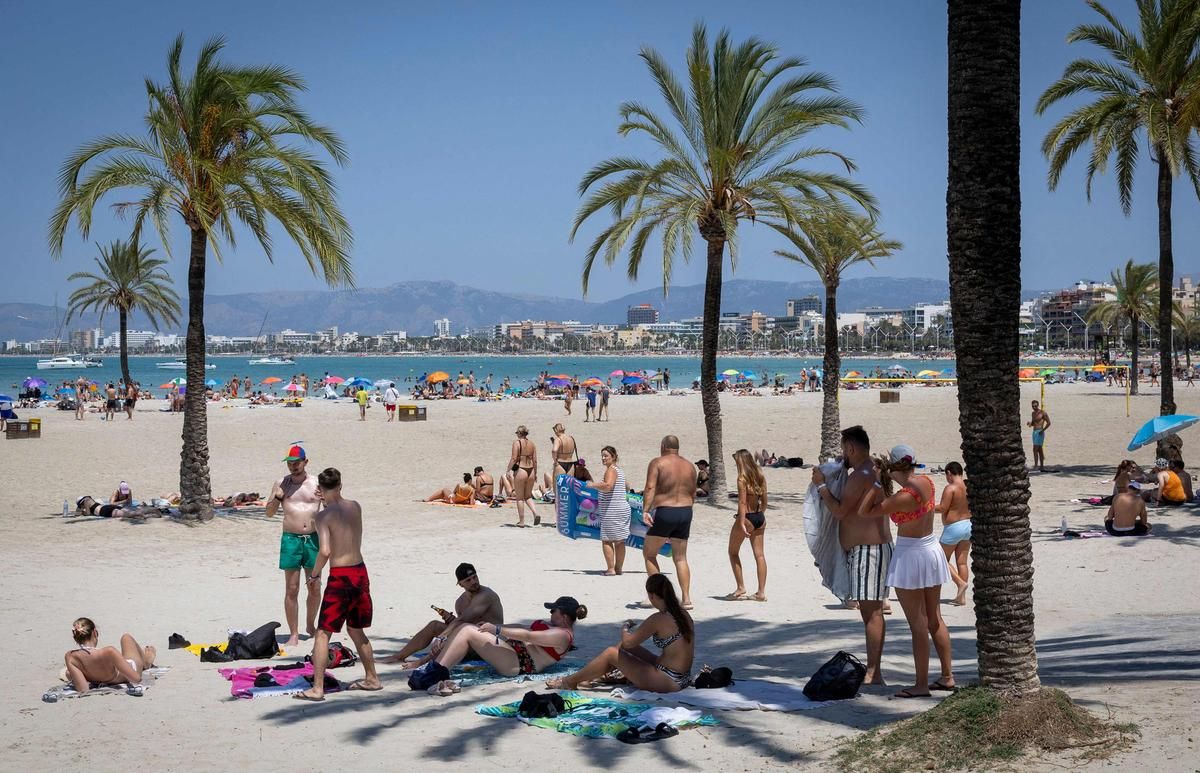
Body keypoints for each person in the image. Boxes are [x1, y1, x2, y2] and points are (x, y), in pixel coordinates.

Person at [857, 445, 955, 699]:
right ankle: (947, 676)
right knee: (934, 618)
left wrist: (876, 485)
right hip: (930, 548)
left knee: (918, 624)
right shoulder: (926, 482)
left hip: (911, 554)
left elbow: (864, 512)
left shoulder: (904, 496)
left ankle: (921, 684)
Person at [811, 425, 892, 686]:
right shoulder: (866, 471)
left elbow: (840, 511)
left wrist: (822, 486)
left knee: (872, 613)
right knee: (870, 612)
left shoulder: (862, 475)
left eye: (844, 449)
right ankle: (874, 669)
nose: (842, 455)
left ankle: (874, 672)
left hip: (869, 551)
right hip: (866, 551)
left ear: (851, 448)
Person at [294, 468, 381, 700]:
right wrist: (326, 500)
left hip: (341, 576)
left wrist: (313, 576)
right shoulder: (355, 506)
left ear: (320, 490)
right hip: (360, 572)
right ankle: (372, 677)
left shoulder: (322, 517)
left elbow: (325, 550)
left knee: (323, 633)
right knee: (355, 628)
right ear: (340, 485)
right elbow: (340, 520)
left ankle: (317, 688)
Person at [548, 575, 693, 692]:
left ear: (652, 596)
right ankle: (589, 678)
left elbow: (628, 641)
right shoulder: (683, 613)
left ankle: (569, 681)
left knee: (611, 652)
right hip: (682, 676)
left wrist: (625, 627)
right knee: (622, 648)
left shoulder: (658, 618)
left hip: (668, 680)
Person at [427, 595, 585, 684]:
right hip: (515, 653)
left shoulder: (563, 636)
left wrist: (496, 630)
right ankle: (436, 668)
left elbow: (529, 636)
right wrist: (494, 625)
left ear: (564, 616)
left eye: (553, 610)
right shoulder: (554, 626)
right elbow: (522, 627)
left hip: (520, 664)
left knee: (468, 630)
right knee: (466, 628)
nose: (550, 613)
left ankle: (435, 673)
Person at [385, 562, 504, 666]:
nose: (473, 582)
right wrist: (450, 620)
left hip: (490, 645)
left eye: (475, 577)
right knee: (434, 626)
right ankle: (399, 656)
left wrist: (442, 636)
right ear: (460, 584)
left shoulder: (486, 595)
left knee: (447, 636)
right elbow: (464, 625)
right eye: (468, 580)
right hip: (471, 642)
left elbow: (463, 621)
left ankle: (422, 662)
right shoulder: (460, 602)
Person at [266, 445, 322, 648]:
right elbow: (269, 513)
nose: (293, 466)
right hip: (290, 539)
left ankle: (310, 625)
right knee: (292, 588)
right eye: (290, 463)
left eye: (296, 462)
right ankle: (293, 633)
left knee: (314, 587)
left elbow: (332, 511)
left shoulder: (317, 483)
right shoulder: (281, 483)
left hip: (313, 539)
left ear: (306, 462)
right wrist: (278, 497)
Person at [641, 435, 696, 609]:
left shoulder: (658, 462)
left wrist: (645, 510)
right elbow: (693, 492)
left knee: (649, 554)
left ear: (663, 445)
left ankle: (660, 596)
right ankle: (686, 599)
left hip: (666, 510)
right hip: (686, 511)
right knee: (680, 557)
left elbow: (650, 487)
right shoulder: (690, 466)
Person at [63, 617, 157, 694]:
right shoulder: (108, 651)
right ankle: (147, 662)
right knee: (126, 637)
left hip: (101, 678)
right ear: (95, 632)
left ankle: (140, 661)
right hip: (129, 672)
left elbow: (83, 689)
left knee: (68, 673)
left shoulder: (70, 656)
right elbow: (136, 679)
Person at [726, 449, 768, 602]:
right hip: (759, 517)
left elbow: (742, 502)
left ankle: (740, 587)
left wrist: (742, 522)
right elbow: (764, 500)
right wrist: (760, 514)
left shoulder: (742, 478)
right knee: (760, 555)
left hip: (747, 517)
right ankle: (761, 592)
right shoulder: (760, 475)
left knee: (732, 552)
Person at [936, 462, 971, 606]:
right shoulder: (968, 486)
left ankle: (960, 583)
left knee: (941, 559)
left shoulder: (951, 488)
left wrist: (926, 507)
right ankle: (961, 597)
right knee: (962, 562)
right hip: (968, 525)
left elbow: (943, 508)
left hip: (953, 527)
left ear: (949, 473)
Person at [594, 445, 631, 575]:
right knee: (620, 541)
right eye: (602, 456)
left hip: (612, 510)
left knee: (607, 539)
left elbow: (608, 486)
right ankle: (618, 568)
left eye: (606, 456)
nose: (603, 458)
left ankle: (611, 569)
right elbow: (627, 487)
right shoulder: (619, 470)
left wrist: (592, 485)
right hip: (622, 508)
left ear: (613, 457)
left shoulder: (611, 470)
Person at [507, 425, 540, 527]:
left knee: (520, 498)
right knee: (528, 496)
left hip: (521, 469)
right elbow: (535, 460)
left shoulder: (517, 443)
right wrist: (536, 472)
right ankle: (535, 513)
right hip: (531, 471)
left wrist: (508, 470)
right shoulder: (532, 444)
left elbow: (513, 458)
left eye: (517, 433)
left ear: (520, 433)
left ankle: (521, 521)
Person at [74, 495, 158, 519]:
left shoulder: (86, 502)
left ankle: (153, 510)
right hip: (107, 507)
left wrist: (82, 512)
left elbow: (88, 513)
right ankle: (153, 511)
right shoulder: (90, 500)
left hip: (105, 512)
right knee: (131, 513)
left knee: (131, 514)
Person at [1028, 400, 1051, 472]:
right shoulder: (1033, 413)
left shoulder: (1043, 413)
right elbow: (1033, 423)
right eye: (1033, 406)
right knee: (1040, 450)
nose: (1034, 407)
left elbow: (1049, 423)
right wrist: (1030, 423)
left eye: (1035, 406)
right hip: (1034, 432)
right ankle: (1041, 467)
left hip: (1040, 432)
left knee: (1035, 449)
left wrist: (1043, 430)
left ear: (1038, 405)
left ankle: (1036, 465)